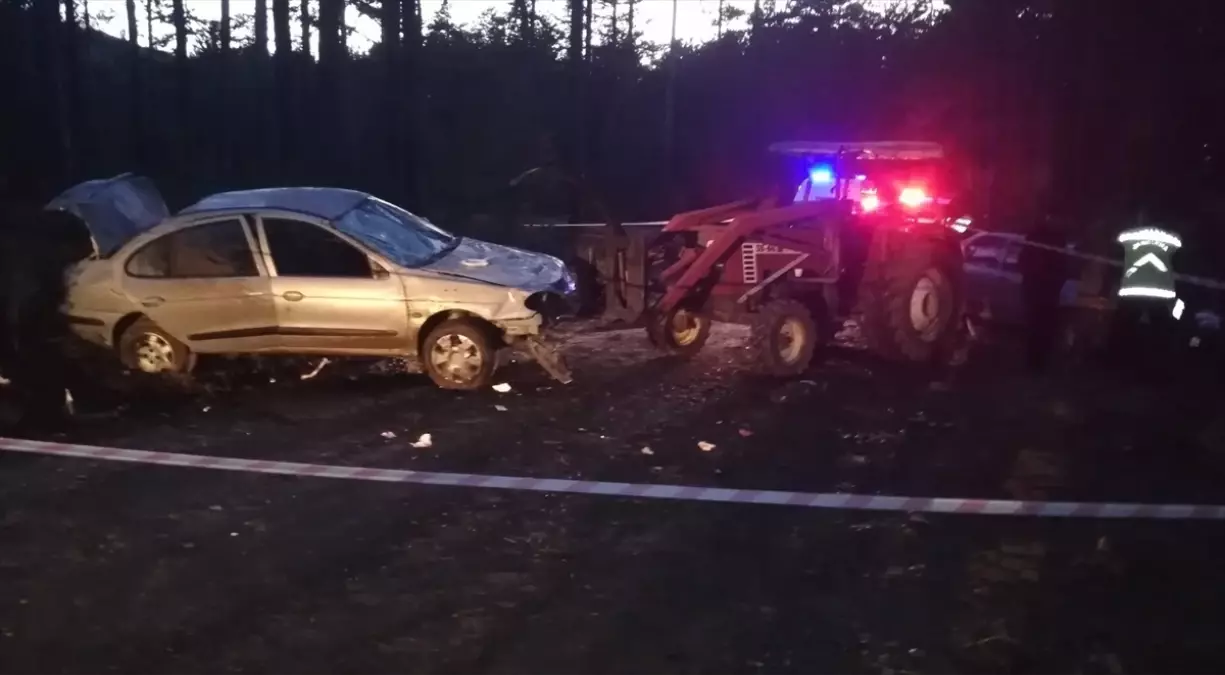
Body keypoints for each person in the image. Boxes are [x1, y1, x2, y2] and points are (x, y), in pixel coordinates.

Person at [0, 197, 93, 433]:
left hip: (27, 325)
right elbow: (24, 301)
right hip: (25, 326)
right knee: (37, 368)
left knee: (41, 367)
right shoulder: (34, 262)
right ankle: (41, 418)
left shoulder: (36, 257)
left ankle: (46, 416)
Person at [1018, 217, 1068, 372]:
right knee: (1042, 328)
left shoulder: (1046, 240)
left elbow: (1022, 262)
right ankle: (1037, 363)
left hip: (1041, 291)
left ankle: (1035, 363)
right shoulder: (1050, 240)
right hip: (1043, 291)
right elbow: (1023, 262)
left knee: (1039, 327)